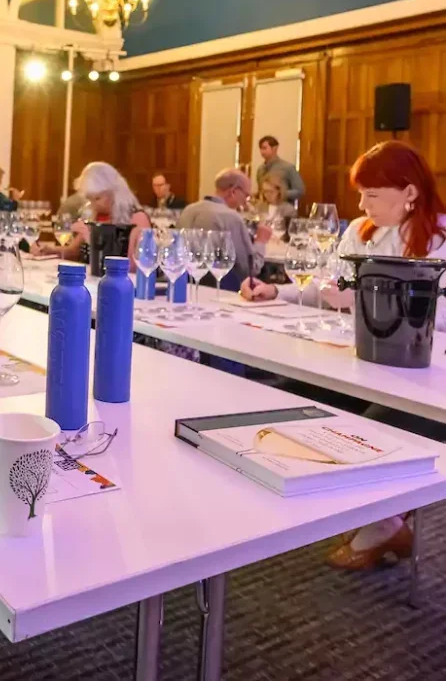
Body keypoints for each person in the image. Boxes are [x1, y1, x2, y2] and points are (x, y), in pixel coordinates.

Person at [242, 140, 446, 570]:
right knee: (291, 399)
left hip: (423, 369)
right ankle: (384, 515)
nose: (362, 203)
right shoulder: (359, 232)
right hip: (365, 356)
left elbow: (437, 317)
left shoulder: (440, 240)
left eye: (372, 194)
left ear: (410, 192)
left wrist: (359, 301)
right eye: (361, 194)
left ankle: (385, 518)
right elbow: (325, 287)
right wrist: (275, 291)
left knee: (376, 428)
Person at [32, 161, 150, 266]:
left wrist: (93, 240)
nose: (93, 204)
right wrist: (50, 250)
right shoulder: (95, 214)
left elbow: (135, 266)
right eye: (90, 199)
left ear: (114, 192)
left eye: (98, 198)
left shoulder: (136, 218)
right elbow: (73, 251)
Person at [177, 168, 272, 287]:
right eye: (246, 196)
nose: (246, 202)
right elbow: (250, 269)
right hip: (221, 292)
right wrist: (261, 241)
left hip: (185, 287)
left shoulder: (188, 210)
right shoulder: (231, 217)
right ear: (233, 192)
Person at [256, 135, 305, 202]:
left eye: (264, 148)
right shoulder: (260, 169)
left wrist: (280, 193)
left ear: (274, 148)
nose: (262, 152)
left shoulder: (288, 167)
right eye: (260, 148)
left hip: (283, 209)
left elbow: (300, 191)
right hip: (265, 208)